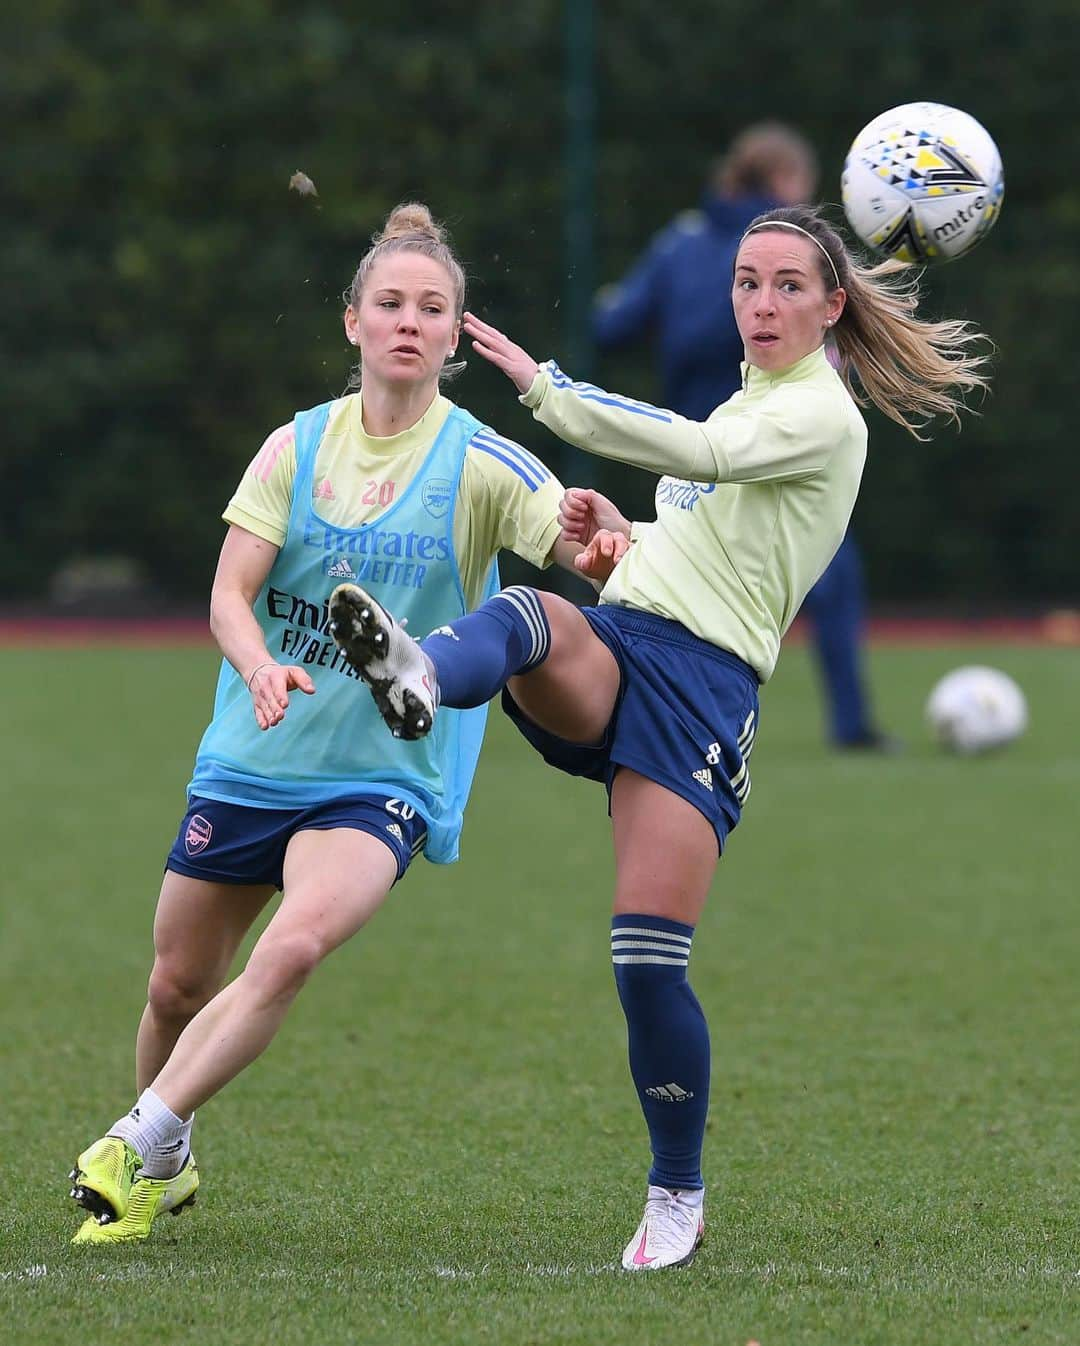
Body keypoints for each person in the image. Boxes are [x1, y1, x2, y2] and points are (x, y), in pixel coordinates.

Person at [328, 205, 991, 1270]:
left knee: (646, 959)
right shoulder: (760, 396)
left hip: (703, 694)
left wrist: (547, 390)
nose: (761, 303)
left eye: (785, 285)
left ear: (830, 307)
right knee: (534, 616)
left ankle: (677, 1189)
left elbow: (702, 452)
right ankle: (415, 672)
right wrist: (618, 547)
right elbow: (708, 541)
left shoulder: (821, 414)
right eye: (746, 281)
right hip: (628, 636)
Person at [66, 202, 582, 1245]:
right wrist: (259, 665)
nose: (408, 321)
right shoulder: (294, 447)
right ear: (352, 322)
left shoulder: (483, 461)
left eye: (431, 308)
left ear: (455, 334)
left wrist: (602, 538)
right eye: (389, 302)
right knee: (174, 984)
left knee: (296, 944)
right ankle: (169, 1154)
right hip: (258, 754)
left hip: (382, 773)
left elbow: (566, 534)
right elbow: (228, 592)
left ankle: (139, 1133)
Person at [593, 122, 894, 750]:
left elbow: (611, 327)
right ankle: (851, 726)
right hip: (761, 444)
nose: (762, 301)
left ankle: (659, 711)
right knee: (831, 585)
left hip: (689, 447)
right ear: (785, 182)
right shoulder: (797, 254)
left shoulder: (678, 243)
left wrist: (623, 306)